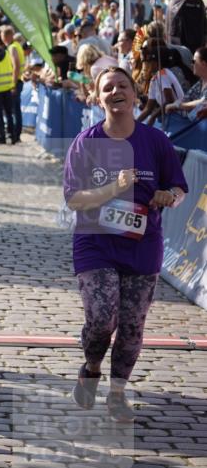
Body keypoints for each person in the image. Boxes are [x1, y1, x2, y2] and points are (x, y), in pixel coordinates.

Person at [64, 65, 188, 422]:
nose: (116, 92)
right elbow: (74, 200)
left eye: (123, 86)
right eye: (107, 88)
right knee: (102, 318)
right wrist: (113, 188)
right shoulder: (87, 142)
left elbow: (179, 188)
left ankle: (117, 393)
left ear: (136, 95)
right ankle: (90, 367)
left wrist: (170, 196)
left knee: (132, 325)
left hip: (142, 244)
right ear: (97, 97)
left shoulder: (155, 141)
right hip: (97, 243)